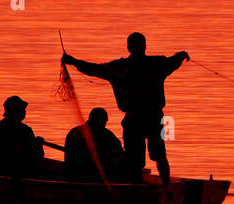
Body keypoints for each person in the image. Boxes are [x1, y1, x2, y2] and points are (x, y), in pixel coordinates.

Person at [62, 33, 189, 186]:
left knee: (135, 160)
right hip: (153, 117)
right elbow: (173, 62)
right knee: (159, 154)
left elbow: (93, 69)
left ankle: (137, 190)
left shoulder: (119, 68)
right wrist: (181, 55)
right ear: (144, 46)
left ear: (128, 47)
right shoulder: (156, 64)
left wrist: (74, 61)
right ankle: (166, 188)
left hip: (135, 119)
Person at [0, 95, 45, 177]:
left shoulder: (26, 130)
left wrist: (38, 145)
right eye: (22, 109)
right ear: (14, 111)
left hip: (22, 170)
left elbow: (37, 156)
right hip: (3, 170)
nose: (25, 111)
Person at [64, 107, 126, 183]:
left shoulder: (74, 132)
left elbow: (119, 153)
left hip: (74, 175)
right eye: (103, 122)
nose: (103, 124)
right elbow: (120, 155)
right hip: (90, 176)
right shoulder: (106, 135)